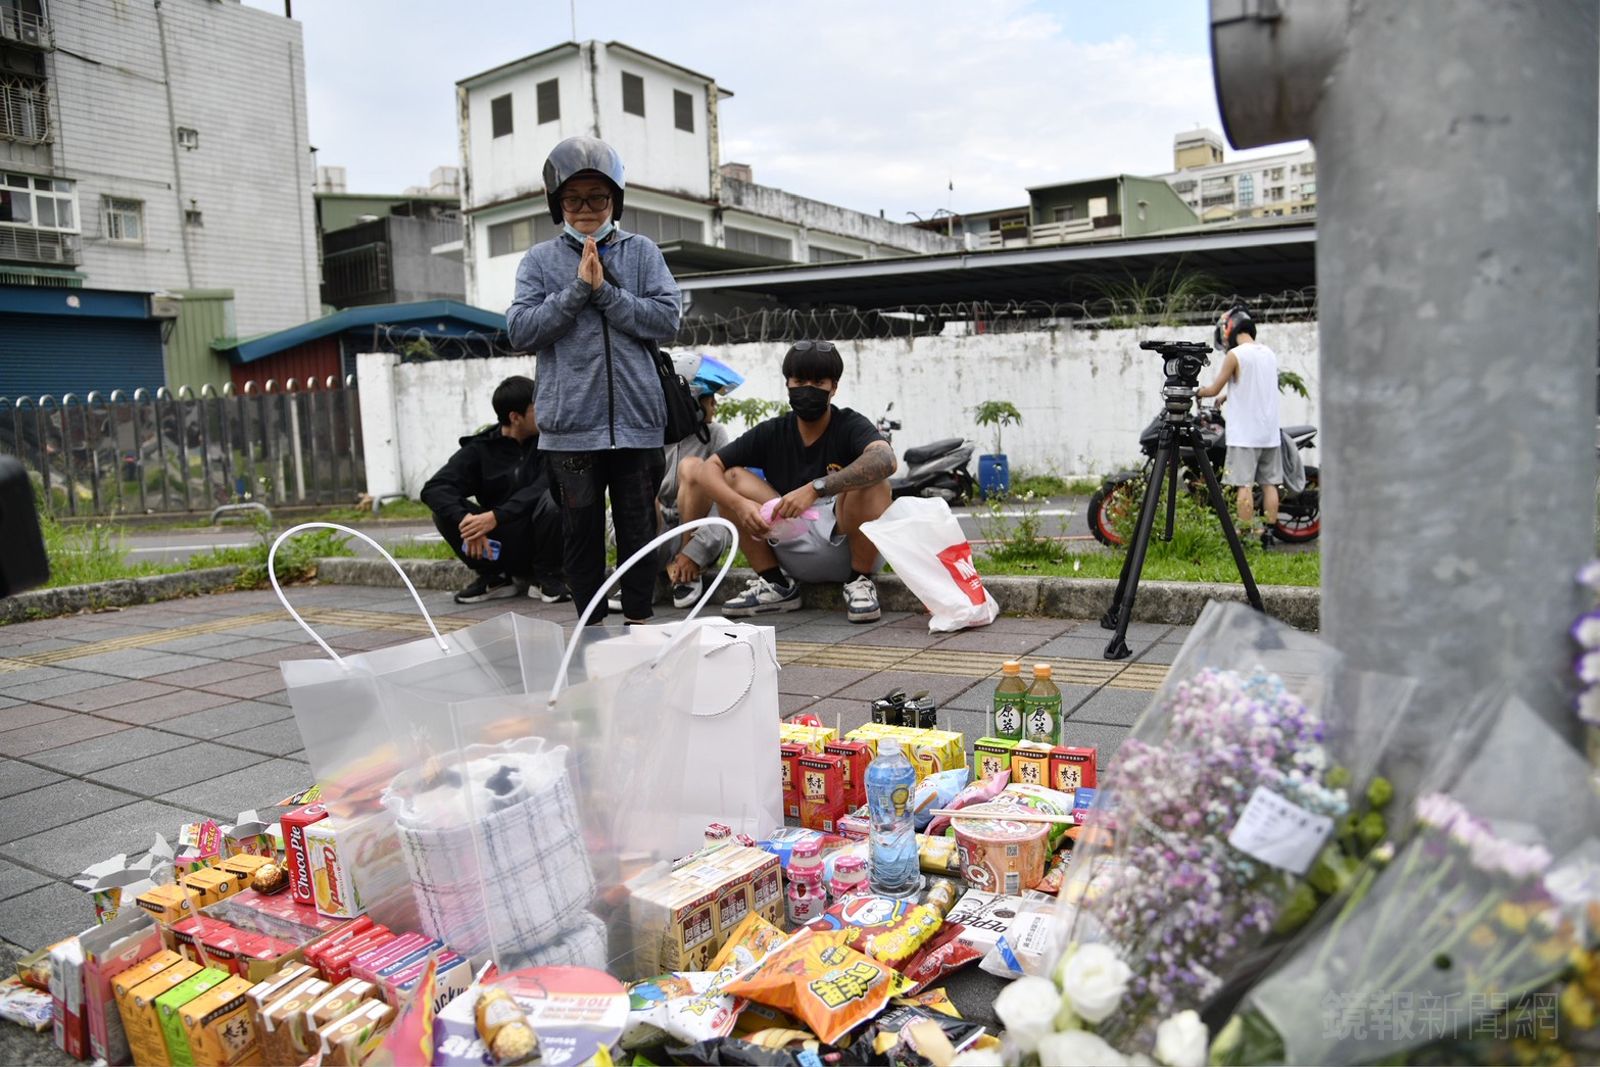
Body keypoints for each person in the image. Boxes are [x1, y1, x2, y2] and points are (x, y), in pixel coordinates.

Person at [505, 136, 680, 623]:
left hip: (637, 423)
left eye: (597, 198)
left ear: (615, 200)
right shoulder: (539, 261)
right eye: (573, 199)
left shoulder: (642, 253)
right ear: (556, 203)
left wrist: (605, 293)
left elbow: (667, 319)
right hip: (570, 429)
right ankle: (590, 629)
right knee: (579, 533)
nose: (585, 209)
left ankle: (640, 623)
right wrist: (578, 288)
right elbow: (520, 330)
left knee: (638, 531)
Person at [696, 339, 895, 623]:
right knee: (730, 478)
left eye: (818, 382)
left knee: (873, 479)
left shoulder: (849, 425)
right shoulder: (773, 432)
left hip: (847, 549)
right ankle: (775, 584)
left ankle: (860, 582)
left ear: (834, 387)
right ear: (788, 384)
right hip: (791, 541)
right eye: (799, 381)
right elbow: (708, 469)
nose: (808, 389)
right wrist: (739, 504)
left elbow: (886, 459)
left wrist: (816, 488)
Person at [607, 354, 743, 613]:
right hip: (652, 534)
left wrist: (695, 551)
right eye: (709, 398)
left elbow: (724, 497)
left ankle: (687, 567)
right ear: (691, 402)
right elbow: (624, 501)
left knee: (694, 468)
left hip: (695, 532)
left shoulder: (714, 434)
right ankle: (639, 574)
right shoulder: (648, 434)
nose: (715, 404)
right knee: (639, 484)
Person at [420, 375, 569, 604]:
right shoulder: (481, 449)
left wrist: (496, 517)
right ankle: (495, 578)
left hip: (543, 538)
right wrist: (468, 522)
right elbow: (434, 488)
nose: (545, 413)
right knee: (444, 512)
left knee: (554, 498)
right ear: (515, 417)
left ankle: (547, 577)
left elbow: (545, 485)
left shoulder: (548, 442)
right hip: (500, 542)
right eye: (537, 408)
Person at [1196, 304, 1282, 547]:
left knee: (1244, 485)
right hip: (1269, 434)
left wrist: (1196, 391)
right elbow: (1257, 387)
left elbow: (1213, 389)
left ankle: (1245, 535)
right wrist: (1229, 396)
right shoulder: (1268, 353)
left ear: (1229, 329)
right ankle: (1268, 535)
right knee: (1269, 485)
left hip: (1245, 435)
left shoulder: (1235, 355)